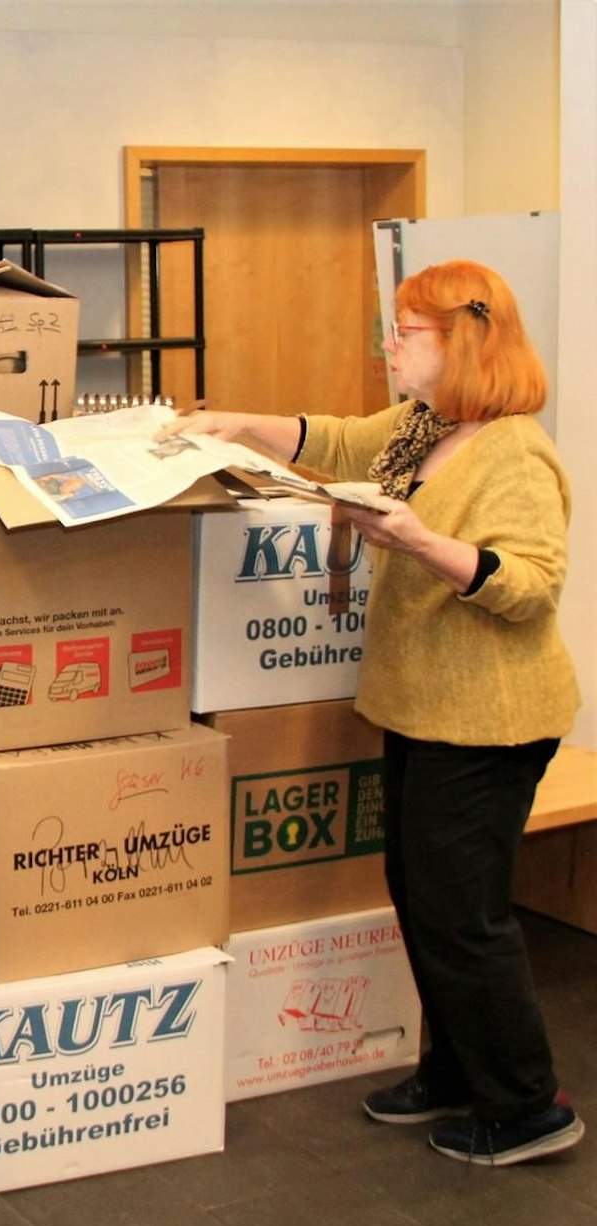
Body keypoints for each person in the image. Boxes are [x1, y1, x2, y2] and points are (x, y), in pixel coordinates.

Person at [170, 259, 582, 1166]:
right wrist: (239, 424)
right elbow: (343, 439)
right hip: (424, 707)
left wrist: (416, 541)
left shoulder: (513, 452)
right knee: (419, 892)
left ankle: (525, 1104)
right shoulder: (427, 427)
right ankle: (455, 1070)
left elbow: (530, 587)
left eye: (406, 331)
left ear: (464, 340)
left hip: (491, 719)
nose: (388, 345)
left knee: (463, 913)